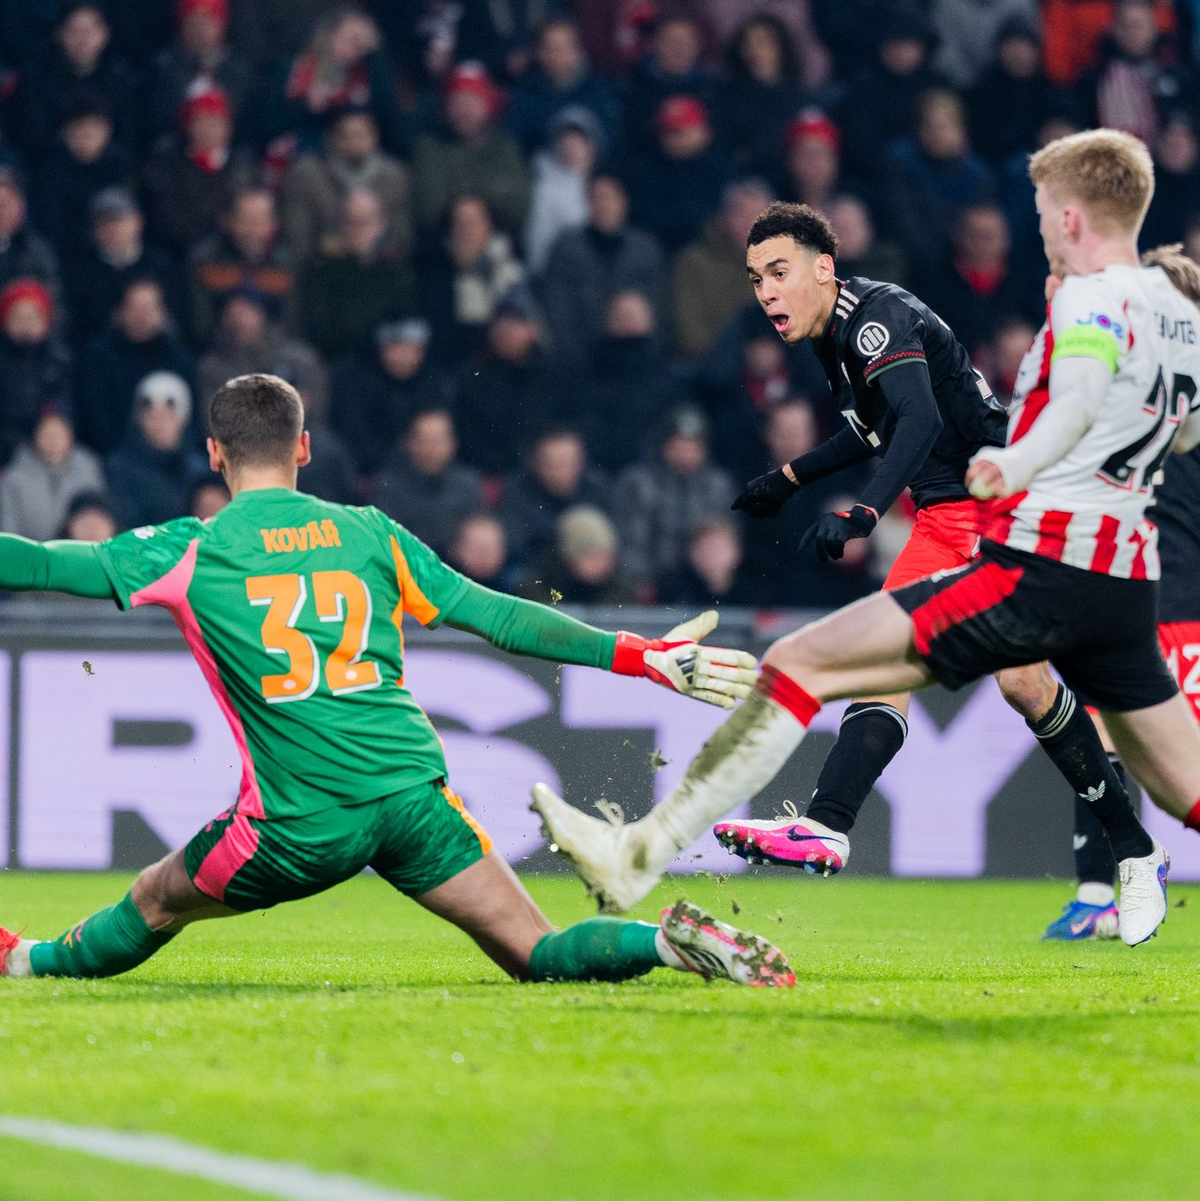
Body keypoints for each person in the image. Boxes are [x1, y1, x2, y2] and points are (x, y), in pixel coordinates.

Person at [534, 145, 1196, 949]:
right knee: (1028, 692)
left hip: (993, 510)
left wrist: (864, 511)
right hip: (1063, 538)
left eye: (779, 271)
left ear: (824, 266)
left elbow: (916, 419)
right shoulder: (1161, 316)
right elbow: (876, 422)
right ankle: (1120, 846)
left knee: (833, 661)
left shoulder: (881, 318)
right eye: (755, 279)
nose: (767, 292)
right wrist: (788, 474)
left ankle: (737, 836)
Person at [0, 372, 790, 991]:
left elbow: (38, 561)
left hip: (298, 823)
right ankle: (663, 939)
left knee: (155, 896)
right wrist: (641, 655)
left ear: (214, 453)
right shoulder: (371, 532)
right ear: (304, 448)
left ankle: (26, 961)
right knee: (538, 951)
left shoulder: (190, 547)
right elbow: (501, 617)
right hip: (412, 795)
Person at [1042, 245, 1200, 939]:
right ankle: (1099, 889)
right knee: (1099, 727)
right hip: (1129, 592)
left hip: (1180, 601)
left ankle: (1102, 888)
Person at [188, 186, 297, 346]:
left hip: (275, 351)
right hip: (218, 351)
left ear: (273, 225)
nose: (252, 231)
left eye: (259, 222)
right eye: (245, 222)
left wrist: (260, 329)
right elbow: (198, 323)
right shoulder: (205, 261)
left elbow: (294, 323)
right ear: (227, 222)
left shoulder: (287, 264)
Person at [105, 371, 208, 529]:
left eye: (167, 417)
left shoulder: (201, 469)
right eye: (151, 417)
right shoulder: (120, 468)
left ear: (183, 419)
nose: (159, 425)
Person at [373, 409, 483, 557]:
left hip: (456, 570)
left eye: (437, 440)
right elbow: (384, 539)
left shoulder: (468, 484)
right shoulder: (388, 485)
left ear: (452, 444)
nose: (430, 449)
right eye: (423, 441)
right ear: (409, 443)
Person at [0, 408, 105, 542]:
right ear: (35, 437)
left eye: (59, 434)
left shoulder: (88, 470)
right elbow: (8, 527)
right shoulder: (15, 478)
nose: (53, 441)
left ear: (70, 436)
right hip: (31, 555)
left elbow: (97, 515)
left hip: (76, 554)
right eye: (47, 434)